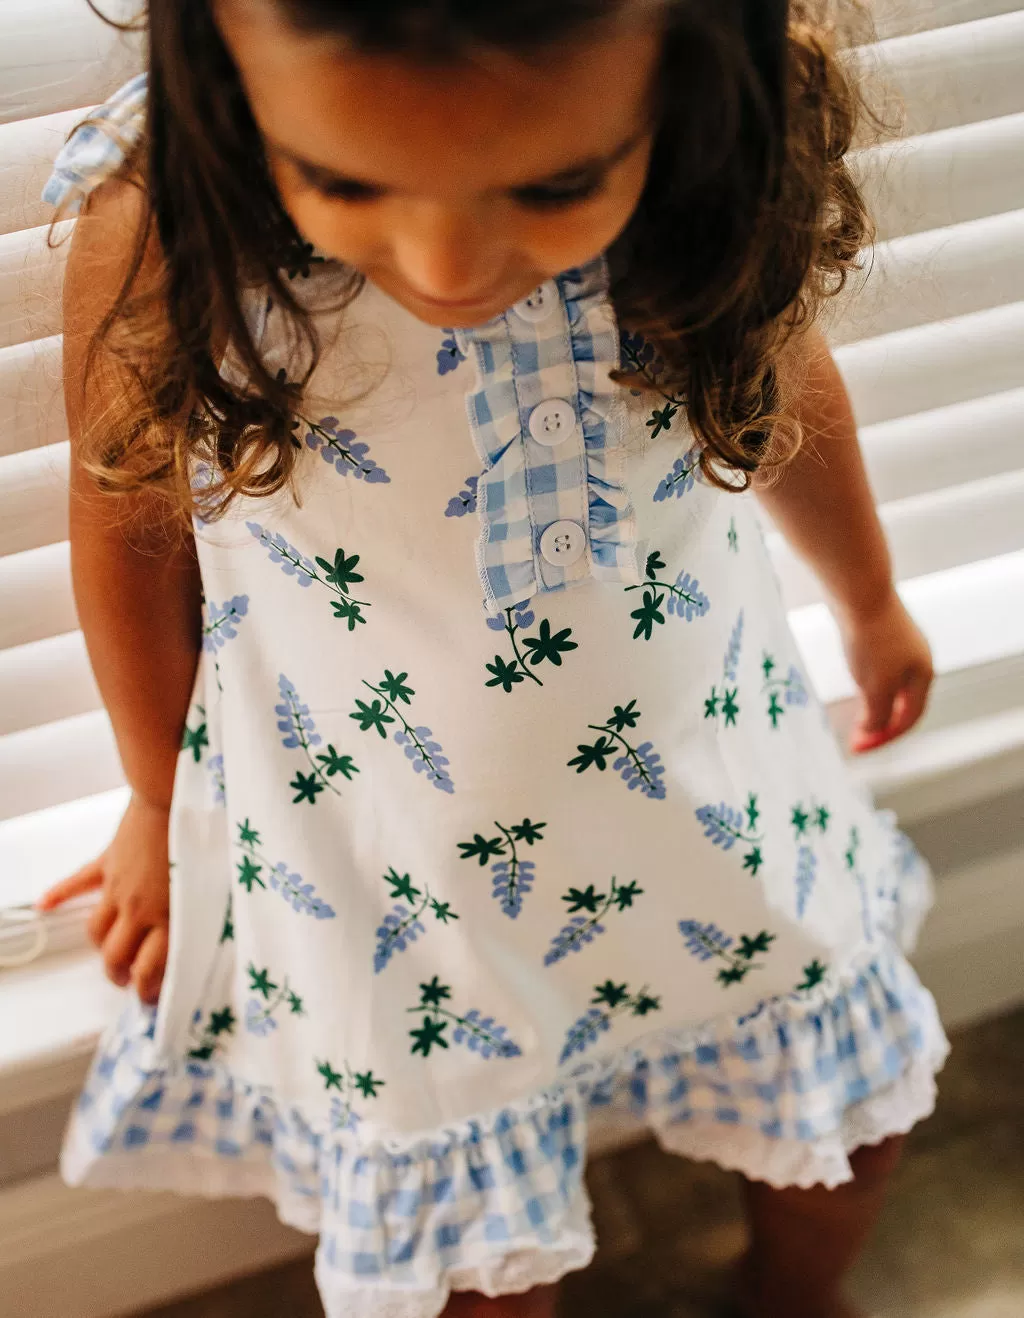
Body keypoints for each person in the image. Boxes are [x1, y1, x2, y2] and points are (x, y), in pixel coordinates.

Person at [36, 2, 948, 1315]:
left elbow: (784, 374)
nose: (449, 261)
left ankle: (794, 1301)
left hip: (709, 771)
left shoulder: (705, 165)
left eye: (555, 183)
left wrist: (868, 598)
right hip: (386, 852)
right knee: (473, 1267)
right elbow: (126, 525)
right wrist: (152, 793)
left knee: (851, 1126)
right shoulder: (176, 213)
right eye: (346, 180)